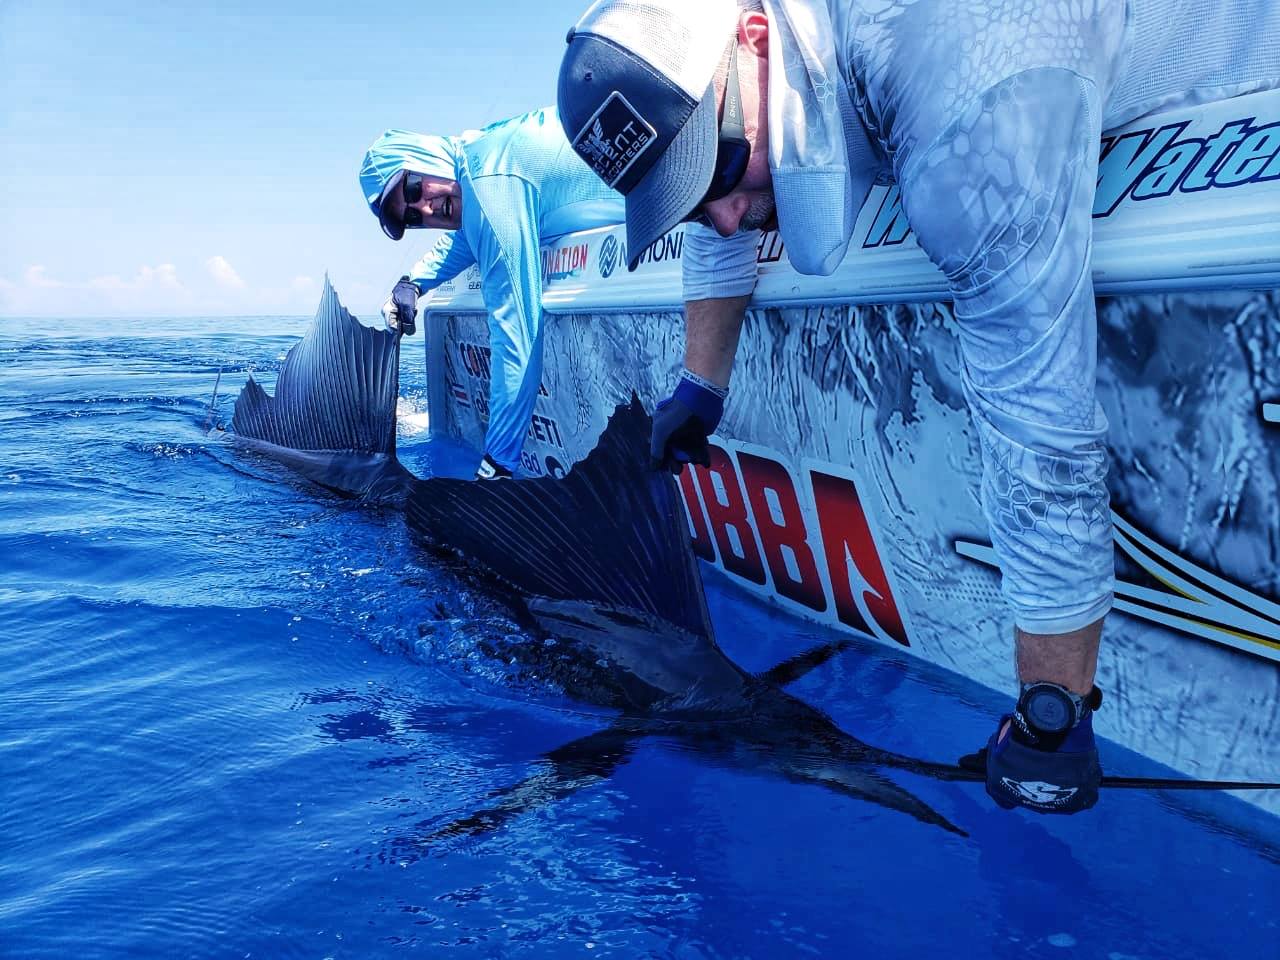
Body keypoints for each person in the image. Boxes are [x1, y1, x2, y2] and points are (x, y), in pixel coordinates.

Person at [556, 0, 1280, 812]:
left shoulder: (967, 75)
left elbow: (1040, 426)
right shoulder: (745, 90)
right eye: (686, 197)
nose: (723, 214)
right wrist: (701, 384)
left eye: (717, 173)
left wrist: (1052, 712)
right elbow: (722, 218)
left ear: (754, 40)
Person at [359, 111, 623, 478]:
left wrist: (498, 463)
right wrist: (413, 283)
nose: (424, 208)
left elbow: (518, 337)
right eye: (412, 218)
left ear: (425, 158)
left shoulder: (487, 185)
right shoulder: (476, 161)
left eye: (415, 189)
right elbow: (466, 237)